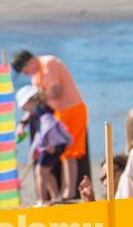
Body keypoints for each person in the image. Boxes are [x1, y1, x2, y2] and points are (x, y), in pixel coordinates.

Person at [11, 49, 87, 201]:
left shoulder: (48, 63)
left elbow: (55, 90)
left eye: (25, 70)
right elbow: (36, 105)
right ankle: (63, 192)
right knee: (62, 154)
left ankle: (69, 192)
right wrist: (22, 123)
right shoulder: (35, 77)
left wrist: (36, 97)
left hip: (72, 109)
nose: (25, 74)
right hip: (57, 114)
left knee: (70, 152)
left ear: (30, 61)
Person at [16, 85, 72, 206]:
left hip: (52, 145)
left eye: (24, 106)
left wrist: (45, 146)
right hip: (53, 145)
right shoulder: (38, 111)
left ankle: (41, 200)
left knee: (40, 170)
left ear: (31, 100)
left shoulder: (41, 112)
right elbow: (40, 133)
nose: (23, 109)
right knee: (46, 171)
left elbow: (49, 129)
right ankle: (56, 197)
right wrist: (35, 150)